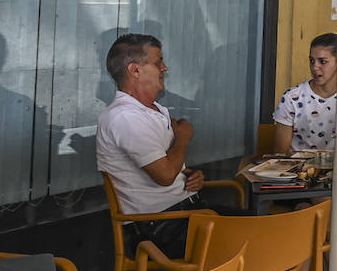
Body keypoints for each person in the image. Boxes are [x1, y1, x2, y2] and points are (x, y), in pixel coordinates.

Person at [95, 34, 235, 257]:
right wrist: (183, 138)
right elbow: (165, 175)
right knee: (253, 235)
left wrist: (189, 176)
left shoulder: (151, 110)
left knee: (266, 225)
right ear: (135, 70)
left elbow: (170, 167)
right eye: (157, 62)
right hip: (159, 229)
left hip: (185, 212)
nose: (165, 67)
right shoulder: (124, 117)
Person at [273, 33, 337, 154]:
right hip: (299, 168)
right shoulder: (292, 98)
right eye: (312, 61)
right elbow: (280, 153)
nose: (315, 67)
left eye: (322, 61)